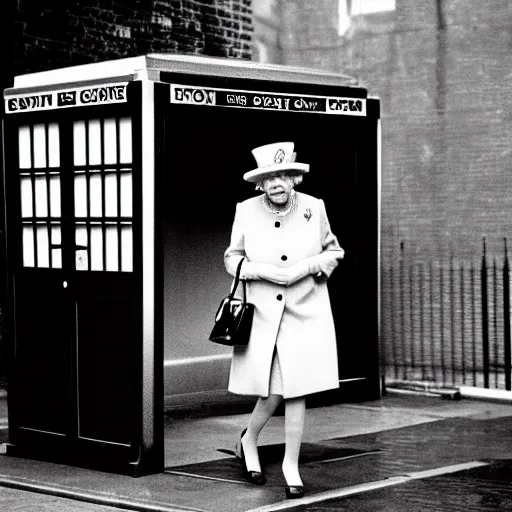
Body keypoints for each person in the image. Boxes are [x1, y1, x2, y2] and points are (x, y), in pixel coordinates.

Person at [224, 142, 345, 499]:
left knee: (297, 388)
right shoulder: (245, 210)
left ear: (293, 177)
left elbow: (333, 251)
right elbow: (233, 258)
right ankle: (249, 441)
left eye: (282, 176)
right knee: (273, 389)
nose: (277, 183)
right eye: (268, 178)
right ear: (260, 184)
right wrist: (264, 272)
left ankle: (290, 464)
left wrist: (304, 269)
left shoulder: (313, 206)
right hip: (264, 313)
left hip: (304, 309)